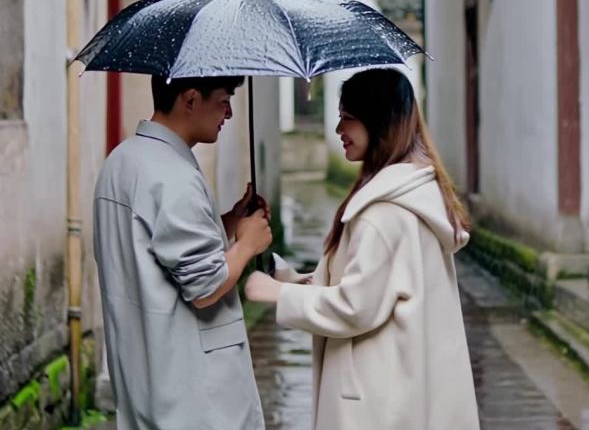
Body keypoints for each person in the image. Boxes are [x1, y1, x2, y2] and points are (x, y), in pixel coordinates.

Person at [245, 68, 481, 430]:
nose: (339, 130)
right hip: (402, 384)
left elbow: (356, 306)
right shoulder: (415, 193)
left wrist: (278, 294)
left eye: (348, 119)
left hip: (377, 396)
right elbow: (377, 286)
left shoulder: (383, 214)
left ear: (379, 122)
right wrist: (299, 282)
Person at [94, 75, 272, 430]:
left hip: (148, 377)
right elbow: (205, 286)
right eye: (224, 100)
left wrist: (232, 220)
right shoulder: (171, 174)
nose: (230, 112)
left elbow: (164, 247)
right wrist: (247, 245)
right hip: (194, 395)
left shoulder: (123, 159)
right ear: (190, 99)